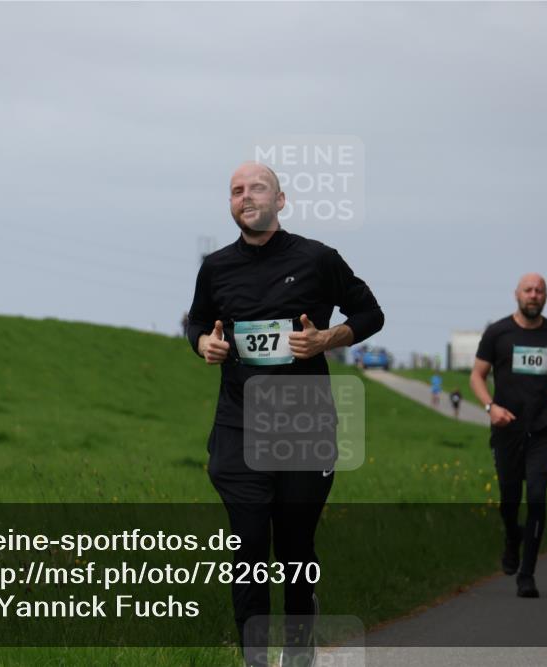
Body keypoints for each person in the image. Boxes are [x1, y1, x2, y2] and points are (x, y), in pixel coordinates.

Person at [187, 162, 384, 667]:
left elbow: (369, 314)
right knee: (249, 545)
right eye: (235, 190)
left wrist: (326, 338)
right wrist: (204, 343)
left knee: (294, 549)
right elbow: (197, 323)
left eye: (257, 188)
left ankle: (299, 647)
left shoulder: (318, 259)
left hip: (303, 421)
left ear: (281, 200)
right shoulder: (215, 267)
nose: (245, 196)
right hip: (239, 424)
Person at [469, 273, 547, 599]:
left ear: (546, 296)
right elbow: (477, 374)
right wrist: (491, 407)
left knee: (538, 497)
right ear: (517, 294)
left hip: (543, 427)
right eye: (528, 290)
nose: (534, 295)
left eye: (539, 290)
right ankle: (512, 537)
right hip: (507, 428)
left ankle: (527, 574)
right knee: (509, 499)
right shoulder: (498, 332)